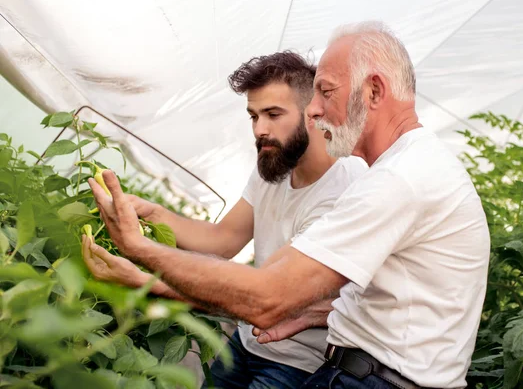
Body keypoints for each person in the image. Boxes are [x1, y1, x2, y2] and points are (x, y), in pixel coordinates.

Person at [85, 21, 490, 389]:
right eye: (253, 115)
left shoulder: (393, 180)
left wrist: (141, 253)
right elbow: (238, 253)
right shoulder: (401, 168)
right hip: (350, 369)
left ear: (374, 91)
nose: (315, 110)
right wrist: (326, 311)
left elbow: (265, 297)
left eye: (326, 92)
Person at [82, 51, 367, 388]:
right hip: (245, 342)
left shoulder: (346, 191)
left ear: (315, 114)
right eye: (253, 116)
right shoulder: (274, 165)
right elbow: (224, 238)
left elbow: (262, 297)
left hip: (295, 365)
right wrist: (154, 213)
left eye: (274, 114)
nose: (260, 130)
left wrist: (144, 279)